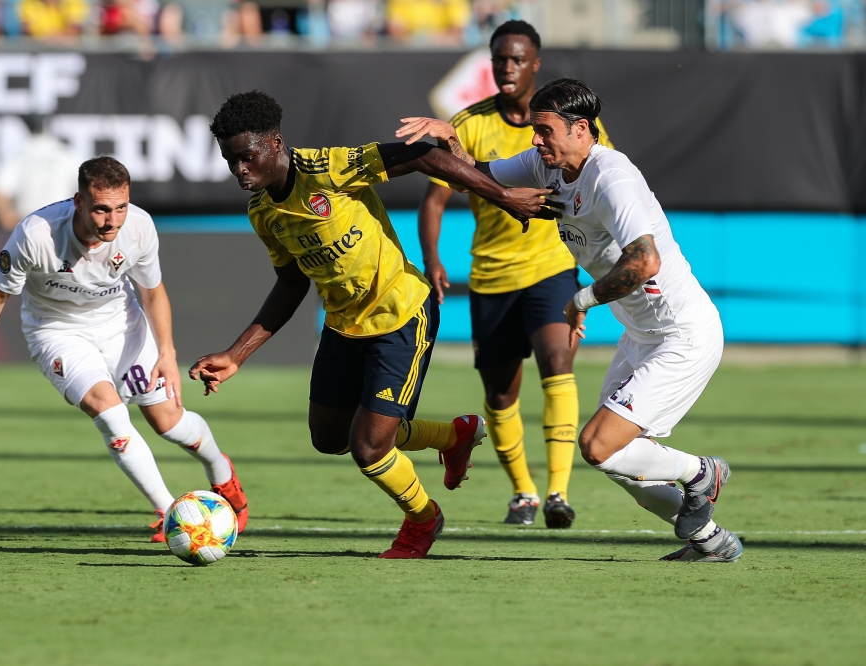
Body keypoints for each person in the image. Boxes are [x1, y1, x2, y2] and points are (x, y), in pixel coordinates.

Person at [190, 91, 559, 559]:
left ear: (276, 142)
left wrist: (504, 197)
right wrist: (235, 355)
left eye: (247, 157)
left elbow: (423, 155)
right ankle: (454, 435)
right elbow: (290, 284)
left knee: (368, 448)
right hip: (344, 326)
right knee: (330, 440)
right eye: (230, 161)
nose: (239, 169)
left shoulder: (328, 168)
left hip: (401, 313)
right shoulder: (263, 212)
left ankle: (424, 521)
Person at [396, 79, 741, 562]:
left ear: (581, 129)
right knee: (616, 461)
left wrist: (580, 300)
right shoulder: (546, 163)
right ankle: (712, 542)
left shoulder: (611, 176)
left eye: (544, 130)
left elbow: (645, 261)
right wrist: (449, 139)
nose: (535, 140)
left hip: (683, 334)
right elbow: (471, 176)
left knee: (599, 446)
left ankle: (704, 472)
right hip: (642, 334)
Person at [0, 156, 248, 542]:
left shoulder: (139, 227)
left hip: (121, 324)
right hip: (57, 331)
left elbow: (152, 293)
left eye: (120, 207)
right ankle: (173, 515)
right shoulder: (35, 235)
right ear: (79, 202)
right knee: (109, 410)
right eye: (101, 208)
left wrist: (167, 352)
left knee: (168, 423)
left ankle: (222, 474)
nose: (112, 220)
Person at [398, 19, 613, 528]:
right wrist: (432, 260)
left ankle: (558, 492)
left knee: (557, 361)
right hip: (492, 275)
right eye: (500, 59)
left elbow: (603, 185)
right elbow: (436, 199)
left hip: (551, 267)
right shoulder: (468, 123)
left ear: (536, 64)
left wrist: (593, 265)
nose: (508, 68)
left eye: (518, 59)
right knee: (500, 393)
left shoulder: (571, 121)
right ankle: (524, 493)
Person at [0, 115, 81, 232]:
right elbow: (85, 185)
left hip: (29, 223)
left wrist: (6, 217)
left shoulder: (18, 153)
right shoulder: (66, 153)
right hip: (61, 221)